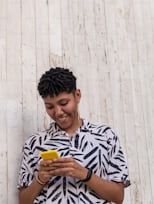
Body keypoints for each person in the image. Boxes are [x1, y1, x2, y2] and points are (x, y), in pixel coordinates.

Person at [17, 67, 130, 204]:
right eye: (50, 107)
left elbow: (118, 196)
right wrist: (41, 179)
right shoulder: (34, 143)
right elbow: (23, 201)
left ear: (77, 95)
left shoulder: (106, 136)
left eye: (63, 103)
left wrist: (84, 174)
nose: (58, 112)